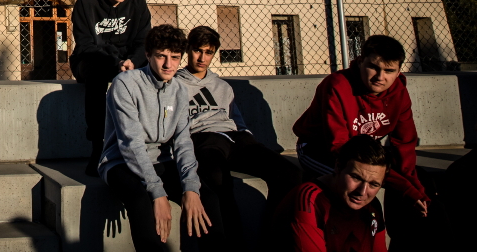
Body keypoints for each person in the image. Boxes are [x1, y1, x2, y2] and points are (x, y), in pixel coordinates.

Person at [292, 34, 441, 249]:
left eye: (389, 71)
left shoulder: (399, 92)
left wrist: (415, 189)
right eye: (374, 67)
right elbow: (339, 148)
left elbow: (404, 144)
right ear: (361, 61)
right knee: (358, 188)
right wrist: (405, 188)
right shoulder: (337, 85)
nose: (380, 77)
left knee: (423, 182)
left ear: (399, 72)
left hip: (364, 151)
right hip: (320, 149)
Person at [177, 26, 301, 250]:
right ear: (188, 49)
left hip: (236, 139)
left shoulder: (223, 86)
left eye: (209, 52)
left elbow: (238, 121)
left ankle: (271, 241)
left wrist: (247, 139)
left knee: (290, 173)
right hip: (203, 138)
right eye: (197, 51)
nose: (203, 57)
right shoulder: (175, 84)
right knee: (217, 179)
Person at [100, 24, 215, 251]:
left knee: (206, 196)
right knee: (140, 199)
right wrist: (158, 192)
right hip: (121, 162)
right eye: (161, 56)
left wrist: (191, 186)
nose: (168, 64)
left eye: (174, 57)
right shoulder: (125, 84)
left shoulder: (180, 90)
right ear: (148, 55)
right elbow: (131, 144)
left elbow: (183, 142)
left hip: (161, 160)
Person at [71, 0, 152, 175]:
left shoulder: (138, 4)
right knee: (95, 73)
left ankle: (145, 146)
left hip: (127, 62)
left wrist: (132, 62)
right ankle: (98, 147)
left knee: (154, 73)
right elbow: (86, 44)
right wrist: (115, 62)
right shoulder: (87, 2)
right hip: (92, 60)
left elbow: (144, 42)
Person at [274, 134, 388, 251]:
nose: (362, 192)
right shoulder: (309, 200)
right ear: (338, 167)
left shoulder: (373, 206)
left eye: (373, 184)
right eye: (356, 178)